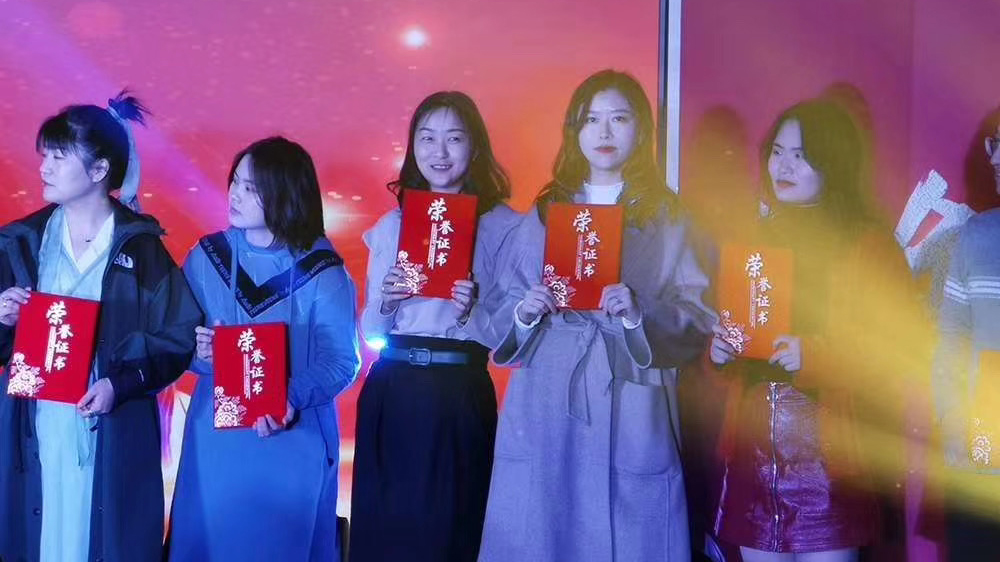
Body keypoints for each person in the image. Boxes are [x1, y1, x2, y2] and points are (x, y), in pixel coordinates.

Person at [478, 69, 714, 561]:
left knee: (631, 525)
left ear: (641, 129)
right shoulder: (545, 212)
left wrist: (639, 314)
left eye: (619, 119)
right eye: (591, 120)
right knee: (544, 524)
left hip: (631, 391)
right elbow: (499, 307)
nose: (604, 132)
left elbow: (697, 314)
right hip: (550, 389)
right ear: (574, 130)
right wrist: (525, 313)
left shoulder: (669, 217)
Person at [709, 98, 916, 562]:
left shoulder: (869, 245)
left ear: (833, 163)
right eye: (777, 151)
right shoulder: (751, 240)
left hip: (829, 458)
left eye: (801, 155)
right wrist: (721, 353)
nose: (784, 166)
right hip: (753, 453)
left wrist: (816, 356)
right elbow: (736, 340)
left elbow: (894, 353)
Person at [0, 91, 202, 562]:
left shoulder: (142, 250)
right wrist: (3, 318)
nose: (45, 167)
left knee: (102, 537)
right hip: (34, 423)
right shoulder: (21, 243)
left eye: (59, 156)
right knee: (37, 534)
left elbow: (178, 336)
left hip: (109, 422)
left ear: (99, 171)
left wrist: (120, 383)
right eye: (45, 156)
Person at [167, 136, 360, 561]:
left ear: (286, 193)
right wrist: (200, 353)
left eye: (251, 187)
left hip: (292, 436)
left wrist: (289, 395)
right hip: (216, 441)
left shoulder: (322, 269)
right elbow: (178, 341)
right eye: (235, 181)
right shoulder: (207, 257)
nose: (235, 194)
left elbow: (342, 360)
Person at [349, 91, 521, 562]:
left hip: (458, 390)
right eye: (427, 138)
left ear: (475, 146)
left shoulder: (506, 227)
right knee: (385, 534)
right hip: (393, 387)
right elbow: (369, 329)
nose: (439, 152)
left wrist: (471, 311)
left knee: (451, 532)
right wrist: (388, 300)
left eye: (454, 138)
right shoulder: (392, 224)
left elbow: (511, 341)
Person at [933, 106, 1000, 561]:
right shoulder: (976, 237)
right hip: (980, 466)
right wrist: (955, 427)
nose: (994, 157)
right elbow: (951, 341)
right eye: (993, 144)